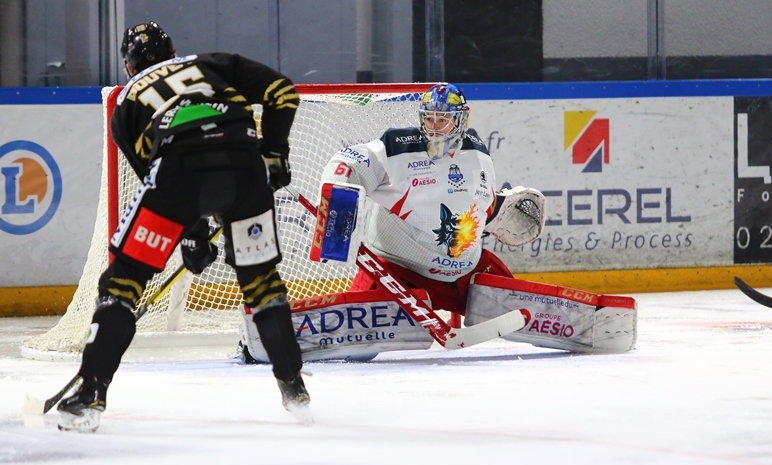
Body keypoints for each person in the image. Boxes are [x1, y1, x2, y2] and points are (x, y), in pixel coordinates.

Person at [57, 22, 310, 432]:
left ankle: (91, 393)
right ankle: (294, 388)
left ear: (127, 66)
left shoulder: (126, 105)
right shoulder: (210, 62)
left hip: (180, 168)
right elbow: (283, 92)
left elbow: (159, 181)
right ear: (175, 52)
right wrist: (275, 153)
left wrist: (192, 236)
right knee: (261, 281)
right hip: (245, 167)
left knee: (123, 283)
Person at [320, 83, 545, 317]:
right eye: (429, 119)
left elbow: (477, 204)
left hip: (464, 275)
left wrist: (495, 212)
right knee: (356, 331)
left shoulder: (478, 152)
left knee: (525, 314)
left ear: (461, 120)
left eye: (443, 119)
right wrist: (337, 207)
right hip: (398, 274)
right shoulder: (398, 147)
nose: (434, 127)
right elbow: (347, 162)